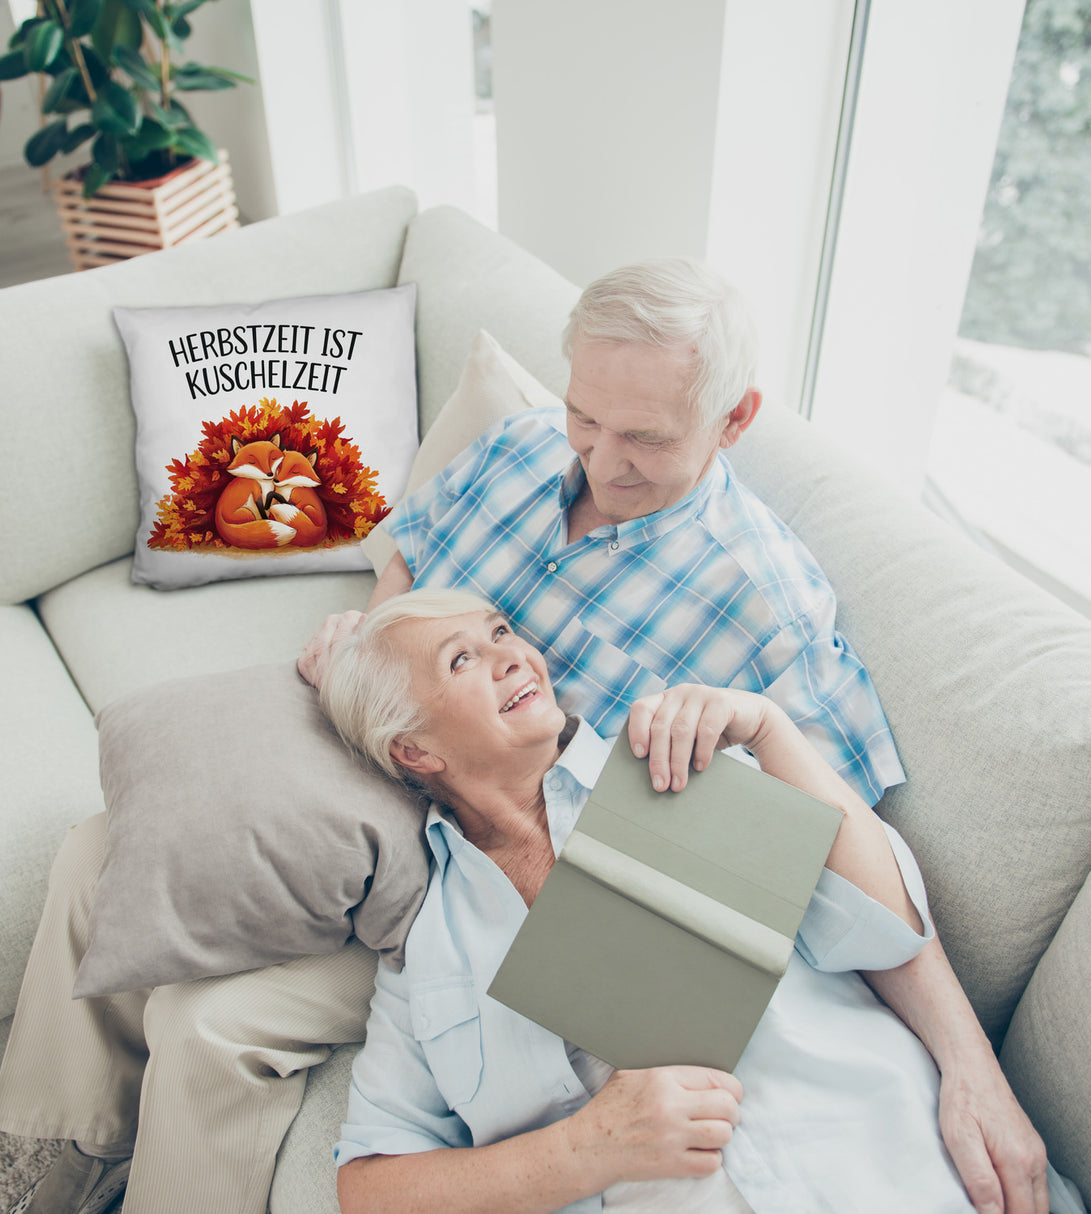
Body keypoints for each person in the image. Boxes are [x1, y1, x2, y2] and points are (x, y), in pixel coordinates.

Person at [301, 259, 1049, 1213]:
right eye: (586, 418)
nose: (601, 462)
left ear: (734, 420)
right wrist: (373, 663)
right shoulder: (520, 450)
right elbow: (412, 552)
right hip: (405, 835)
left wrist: (970, 1069)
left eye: (644, 438)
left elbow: (855, 883)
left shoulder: (741, 663)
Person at [319, 589, 1075, 1214]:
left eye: (501, 632)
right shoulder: (428, 951)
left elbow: (885, 930)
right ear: (414, 750)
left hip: (897, 1168)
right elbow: (370, 1187)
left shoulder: (675, 762)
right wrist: (586, 1149)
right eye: (463, 659)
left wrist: (770, 731)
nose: (513, 654)